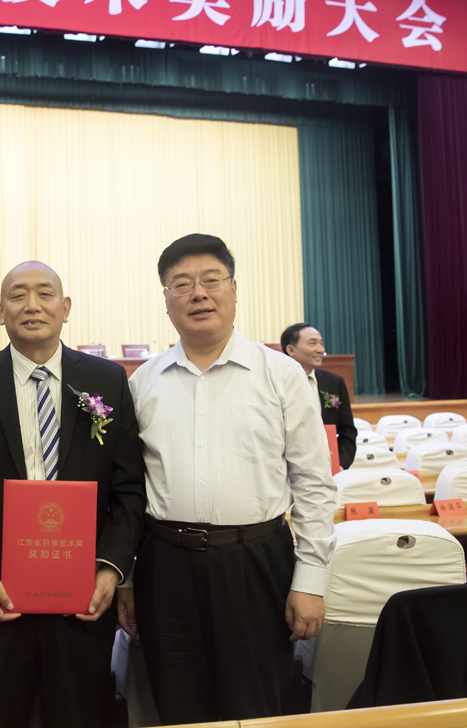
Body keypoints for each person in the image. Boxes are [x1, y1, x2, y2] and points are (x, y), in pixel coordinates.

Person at [118, 233, 337, 725]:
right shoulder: (142, 382)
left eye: (211, 280)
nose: (198, 293)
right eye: (182, 284)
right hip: (164, 568)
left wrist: (311, 580)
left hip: (255, 565)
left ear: (234, 290)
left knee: (255, 707)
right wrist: (127, 576)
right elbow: (128, 491)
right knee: (177, 707)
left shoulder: (282, 375)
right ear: (166, 300)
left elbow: (314, 483)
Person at [0, 261, 146, 728]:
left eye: (45, 293)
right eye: (18, 295)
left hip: (81, 605)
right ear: (0, 310)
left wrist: (110, 569)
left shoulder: (108, 381)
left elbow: (130, 489)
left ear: (65, 307)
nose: (32, 305)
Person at [281, 323, 358, 470]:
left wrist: (340, 464)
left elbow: (347, 431)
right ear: (291, 350)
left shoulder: (334, 383)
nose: (320, 350)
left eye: (321, 343)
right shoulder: (277, 383)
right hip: (287, 469)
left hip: (328, 467)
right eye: (312, 343)